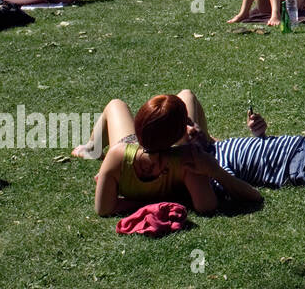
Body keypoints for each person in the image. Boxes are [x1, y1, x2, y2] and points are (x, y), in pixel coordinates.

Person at [73, 91, 263, 216]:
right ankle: (211, 143)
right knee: (187, 94)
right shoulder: (188, 160)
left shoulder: (116, 156)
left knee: (115, 104)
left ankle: (92, 148)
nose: (191, 127)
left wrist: (136, 201)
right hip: (167, 147)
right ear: (177, 135)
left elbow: (104, 209)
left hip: (130, 147)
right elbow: (207, 205)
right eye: (186, 124)